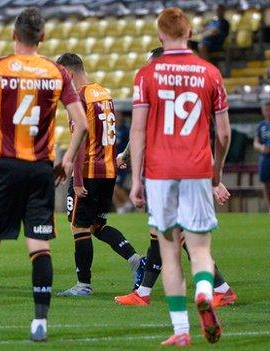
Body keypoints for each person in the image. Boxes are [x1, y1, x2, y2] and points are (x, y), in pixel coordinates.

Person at [0, 7, 88, 343]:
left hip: (6, 166)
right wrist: (67, 159)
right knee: (39, 244)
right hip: (41, 168)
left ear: (14, 35)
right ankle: (40, 324)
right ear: (42, 38)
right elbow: (81, 123)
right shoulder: (56, 72)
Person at [130, 8, 230, 346]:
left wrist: (136, 181)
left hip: (160, 173)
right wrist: (215, 174)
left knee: (170, 253)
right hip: (198, 169)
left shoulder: (146, 75)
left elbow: (139, 132)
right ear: (189, 33)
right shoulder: (210, 73)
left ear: (160, 35)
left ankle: (182, 331)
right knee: (200, 249)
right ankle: (205, 291)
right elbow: (225, 133)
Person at [115, 46, 237, 308]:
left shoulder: (159, 93)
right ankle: (216, 290)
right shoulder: (185, 89)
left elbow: (144, 131)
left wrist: (214, 182)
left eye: (150, 64)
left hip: (169, 176)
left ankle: (154, 299)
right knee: (172, 237)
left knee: (168, 236)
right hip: (177, 174)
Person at [55, 53, 146, 297]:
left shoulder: (79, 96)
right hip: (108, 169)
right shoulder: (103, 92)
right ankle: (136, 260)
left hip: (89, 171)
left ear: (70, 73)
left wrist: (77, 180)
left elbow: (81, 137)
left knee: (79, 227)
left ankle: (83, 284)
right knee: (97, 225)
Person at [254, 100, 270, 213]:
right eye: (265, 110)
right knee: (266, 183)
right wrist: (261, 148)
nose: (267, 112)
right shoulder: (261, 126)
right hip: (265, 158)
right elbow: (255, 142)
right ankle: (269, 208)